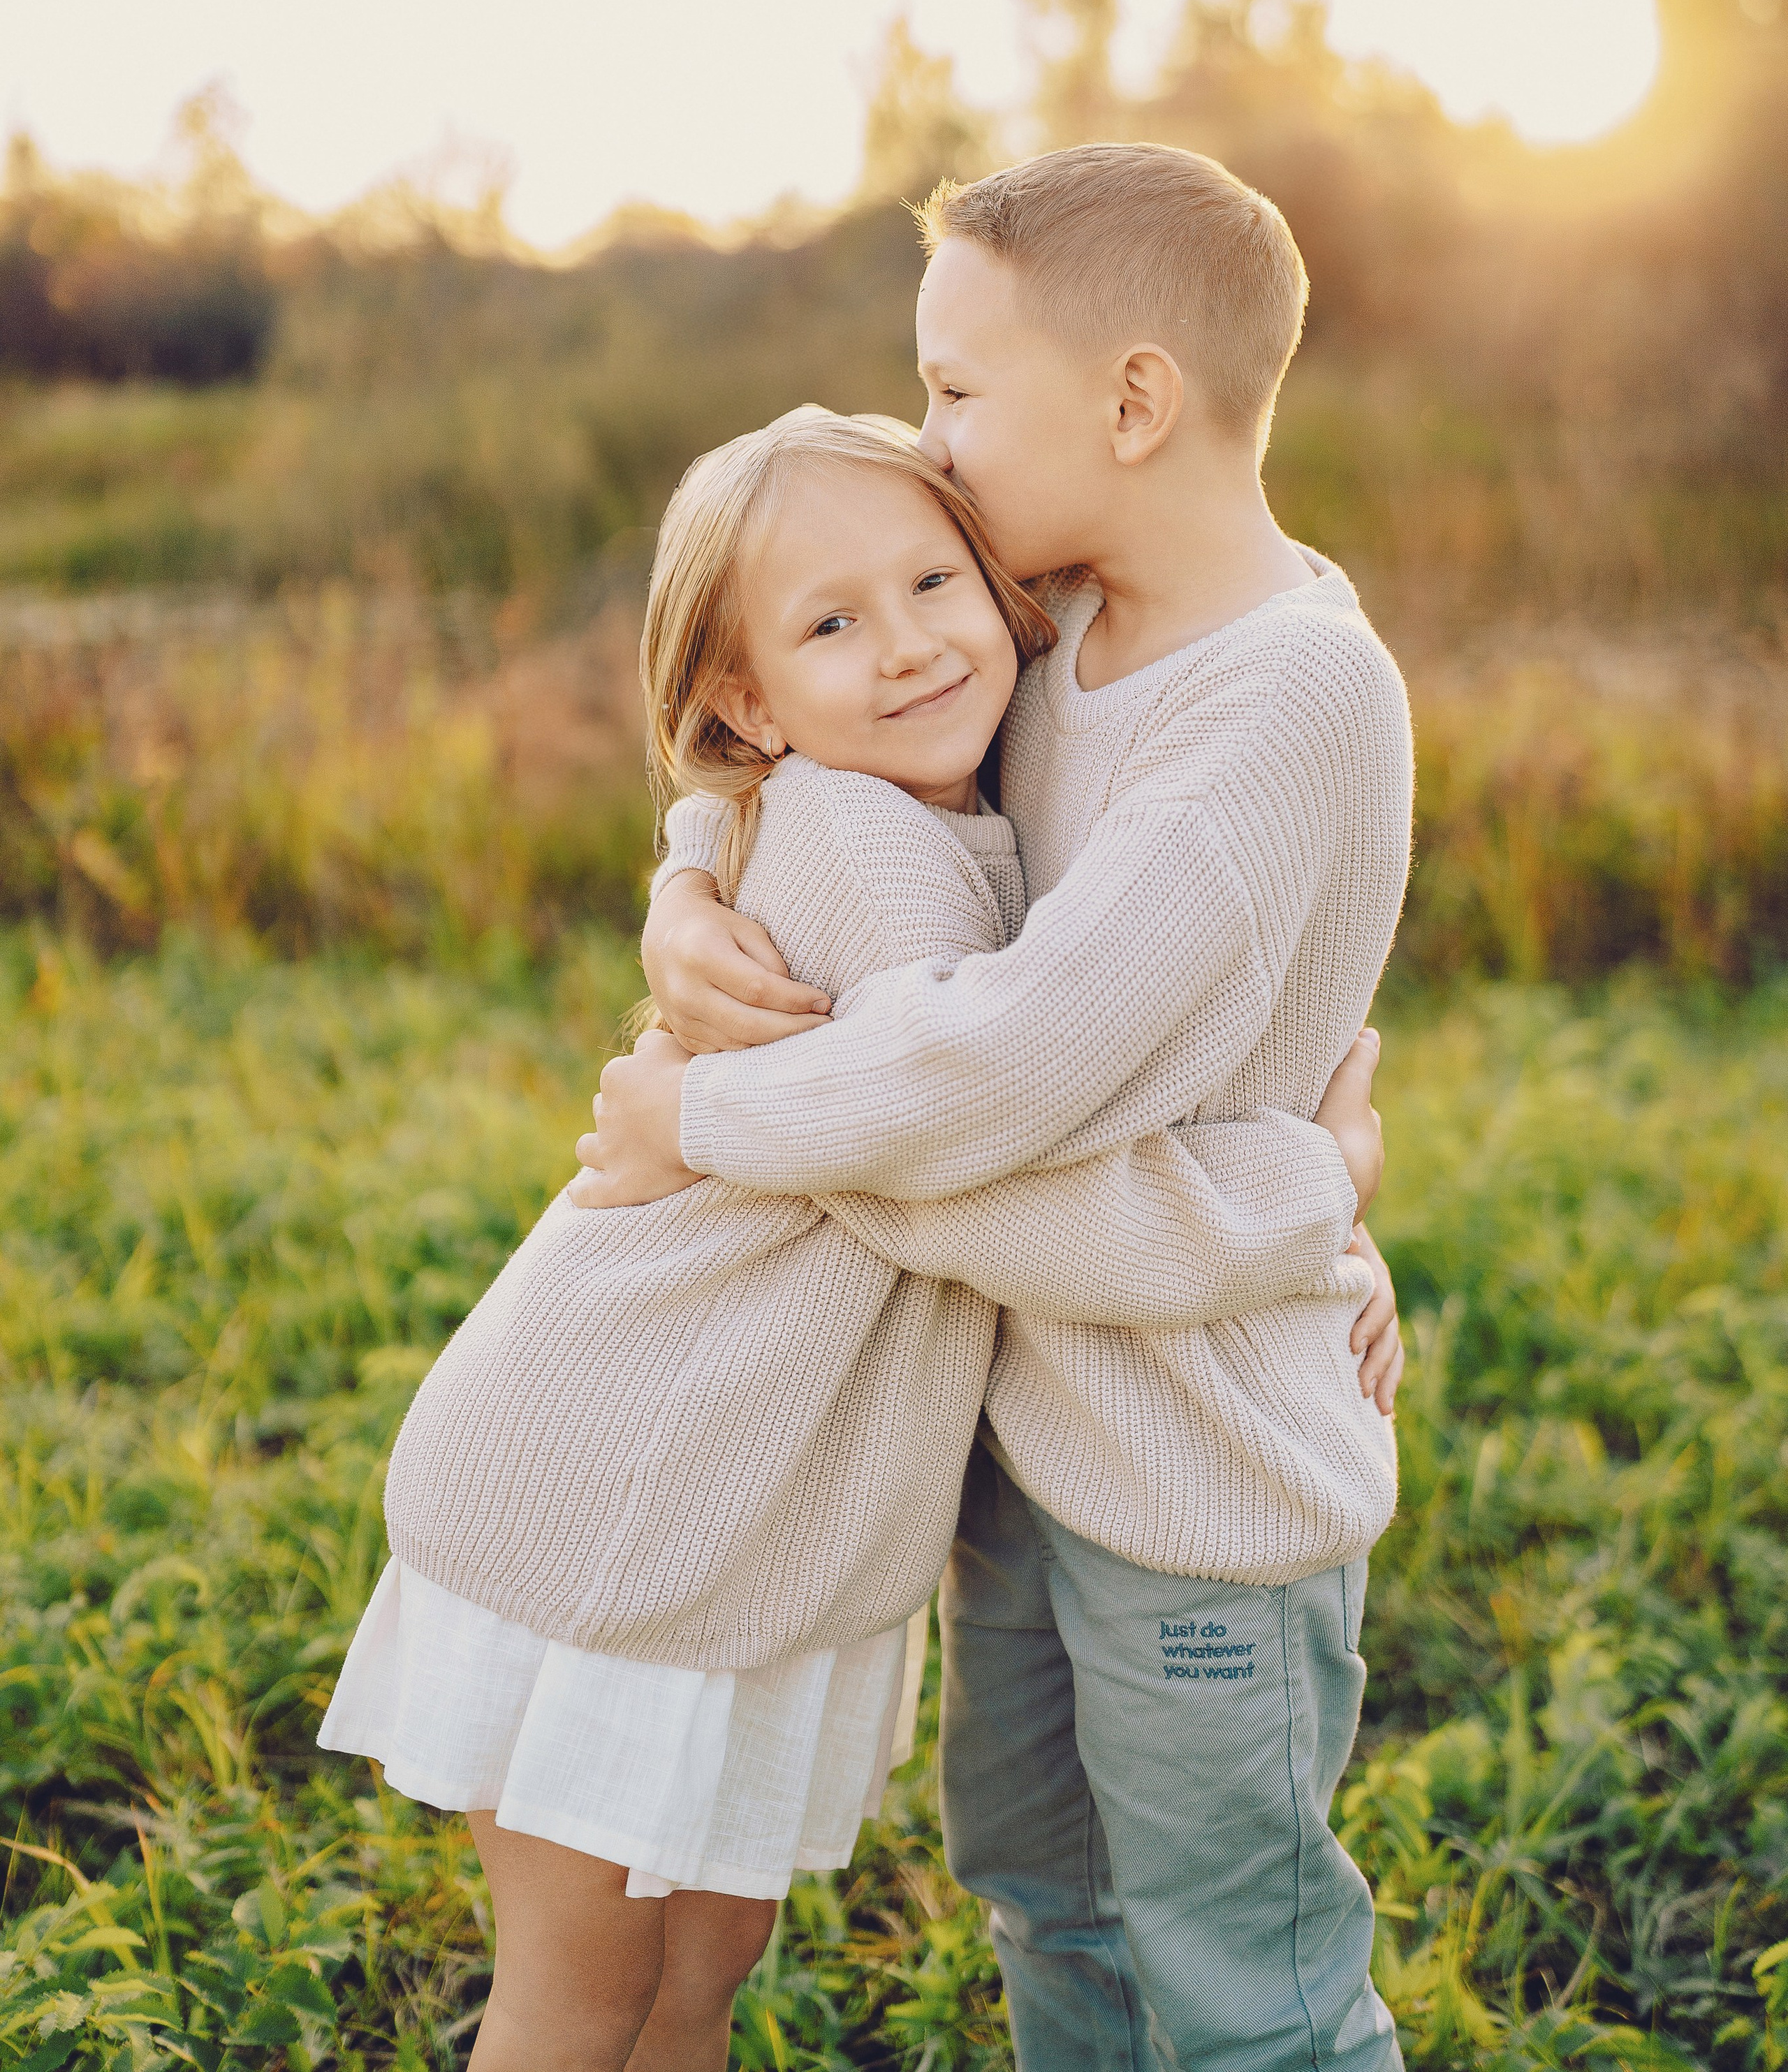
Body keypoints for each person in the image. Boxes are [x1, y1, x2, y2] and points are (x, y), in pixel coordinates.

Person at [320, 402, 1393, 2072]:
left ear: (1001, 593)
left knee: (686, 1985)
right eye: (832, 624)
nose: (904, 647)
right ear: (748, 697)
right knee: (583, 1999)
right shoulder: (880, 856)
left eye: (934, 584)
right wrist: (1307, 1199)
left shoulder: (922, 784)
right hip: (624, 1509)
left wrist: (688, 864)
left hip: (728, 1526)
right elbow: (981, 1179)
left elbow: (746, 792)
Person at [576, 143, 1414, 2071]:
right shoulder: (1054, 629)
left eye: (957, 389)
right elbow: (839, 732)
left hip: (1199, 1470)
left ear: (1135, 400)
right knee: (1050, 1905)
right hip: (1021, 1439)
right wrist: (693, 871)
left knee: (1244, 1989)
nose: (929, 444)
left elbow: (1001, 1061)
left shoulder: (1287, 699)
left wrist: (698, 1125)